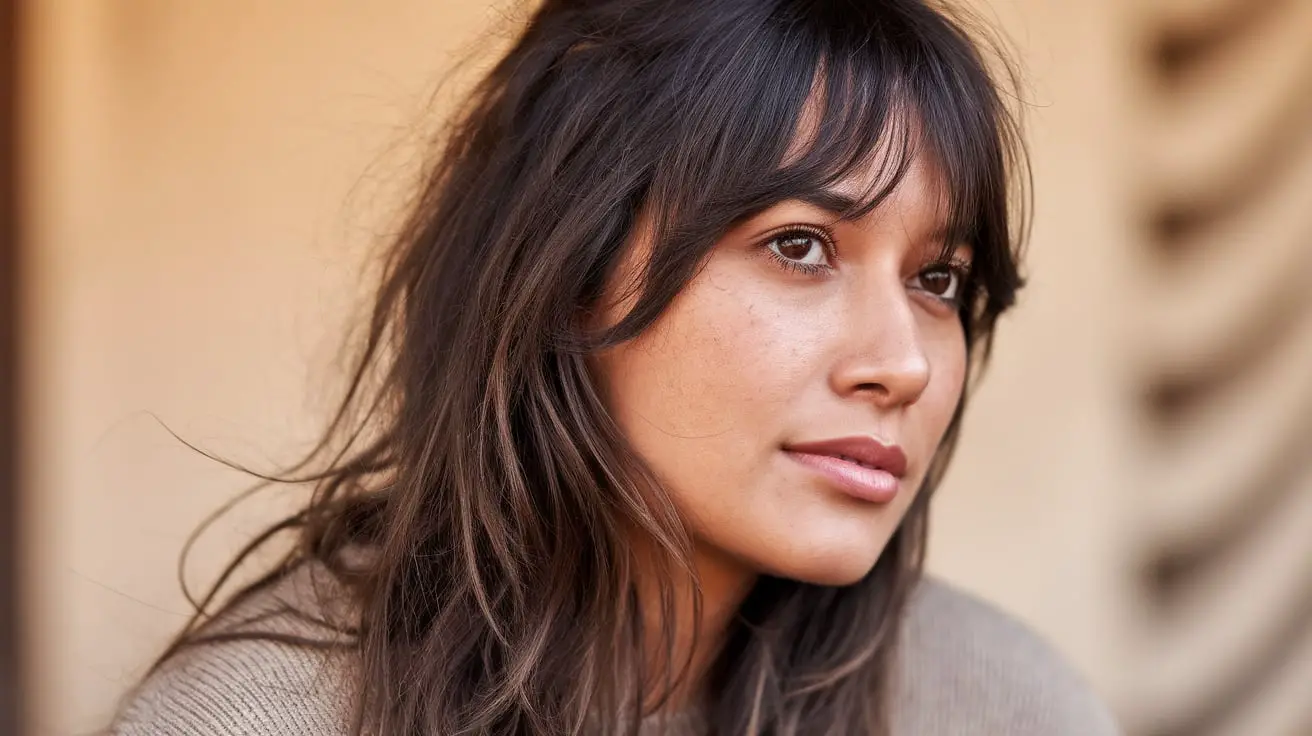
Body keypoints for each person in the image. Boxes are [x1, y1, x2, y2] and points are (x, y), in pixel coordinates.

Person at [111, 0, 1120, 734]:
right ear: (567, 268)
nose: (901, 362)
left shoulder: (998, 702)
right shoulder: (258, 718)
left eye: (937, 278)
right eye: (800, 245)